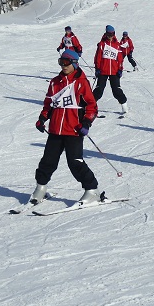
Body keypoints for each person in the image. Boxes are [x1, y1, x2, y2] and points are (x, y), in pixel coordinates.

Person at [31, 49, 100, 205]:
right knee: (47, 161)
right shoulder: (55, 82)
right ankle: (40, 188)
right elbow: (48, 104)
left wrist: (86, 122)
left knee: (75, 162)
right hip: (55, 129)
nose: (63, 66)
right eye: (61, 62)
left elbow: (92, 106)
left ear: (74, 63)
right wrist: (42, 118)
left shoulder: (81, 82)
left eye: (66, 62)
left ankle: (92, 190)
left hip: (74, 130)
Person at [93, 25, 128, 114]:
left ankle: (124, 106)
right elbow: (98, 57)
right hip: (103, 71)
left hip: (114, 71)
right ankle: (90, 106)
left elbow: (120, 59)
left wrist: (120, 69)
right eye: (108, 34)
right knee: (99, 89)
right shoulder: (102, 44)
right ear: (106, 34)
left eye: (112, 34)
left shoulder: (117, 45)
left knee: (116, 90)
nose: (110, 36)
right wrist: (97, 68)